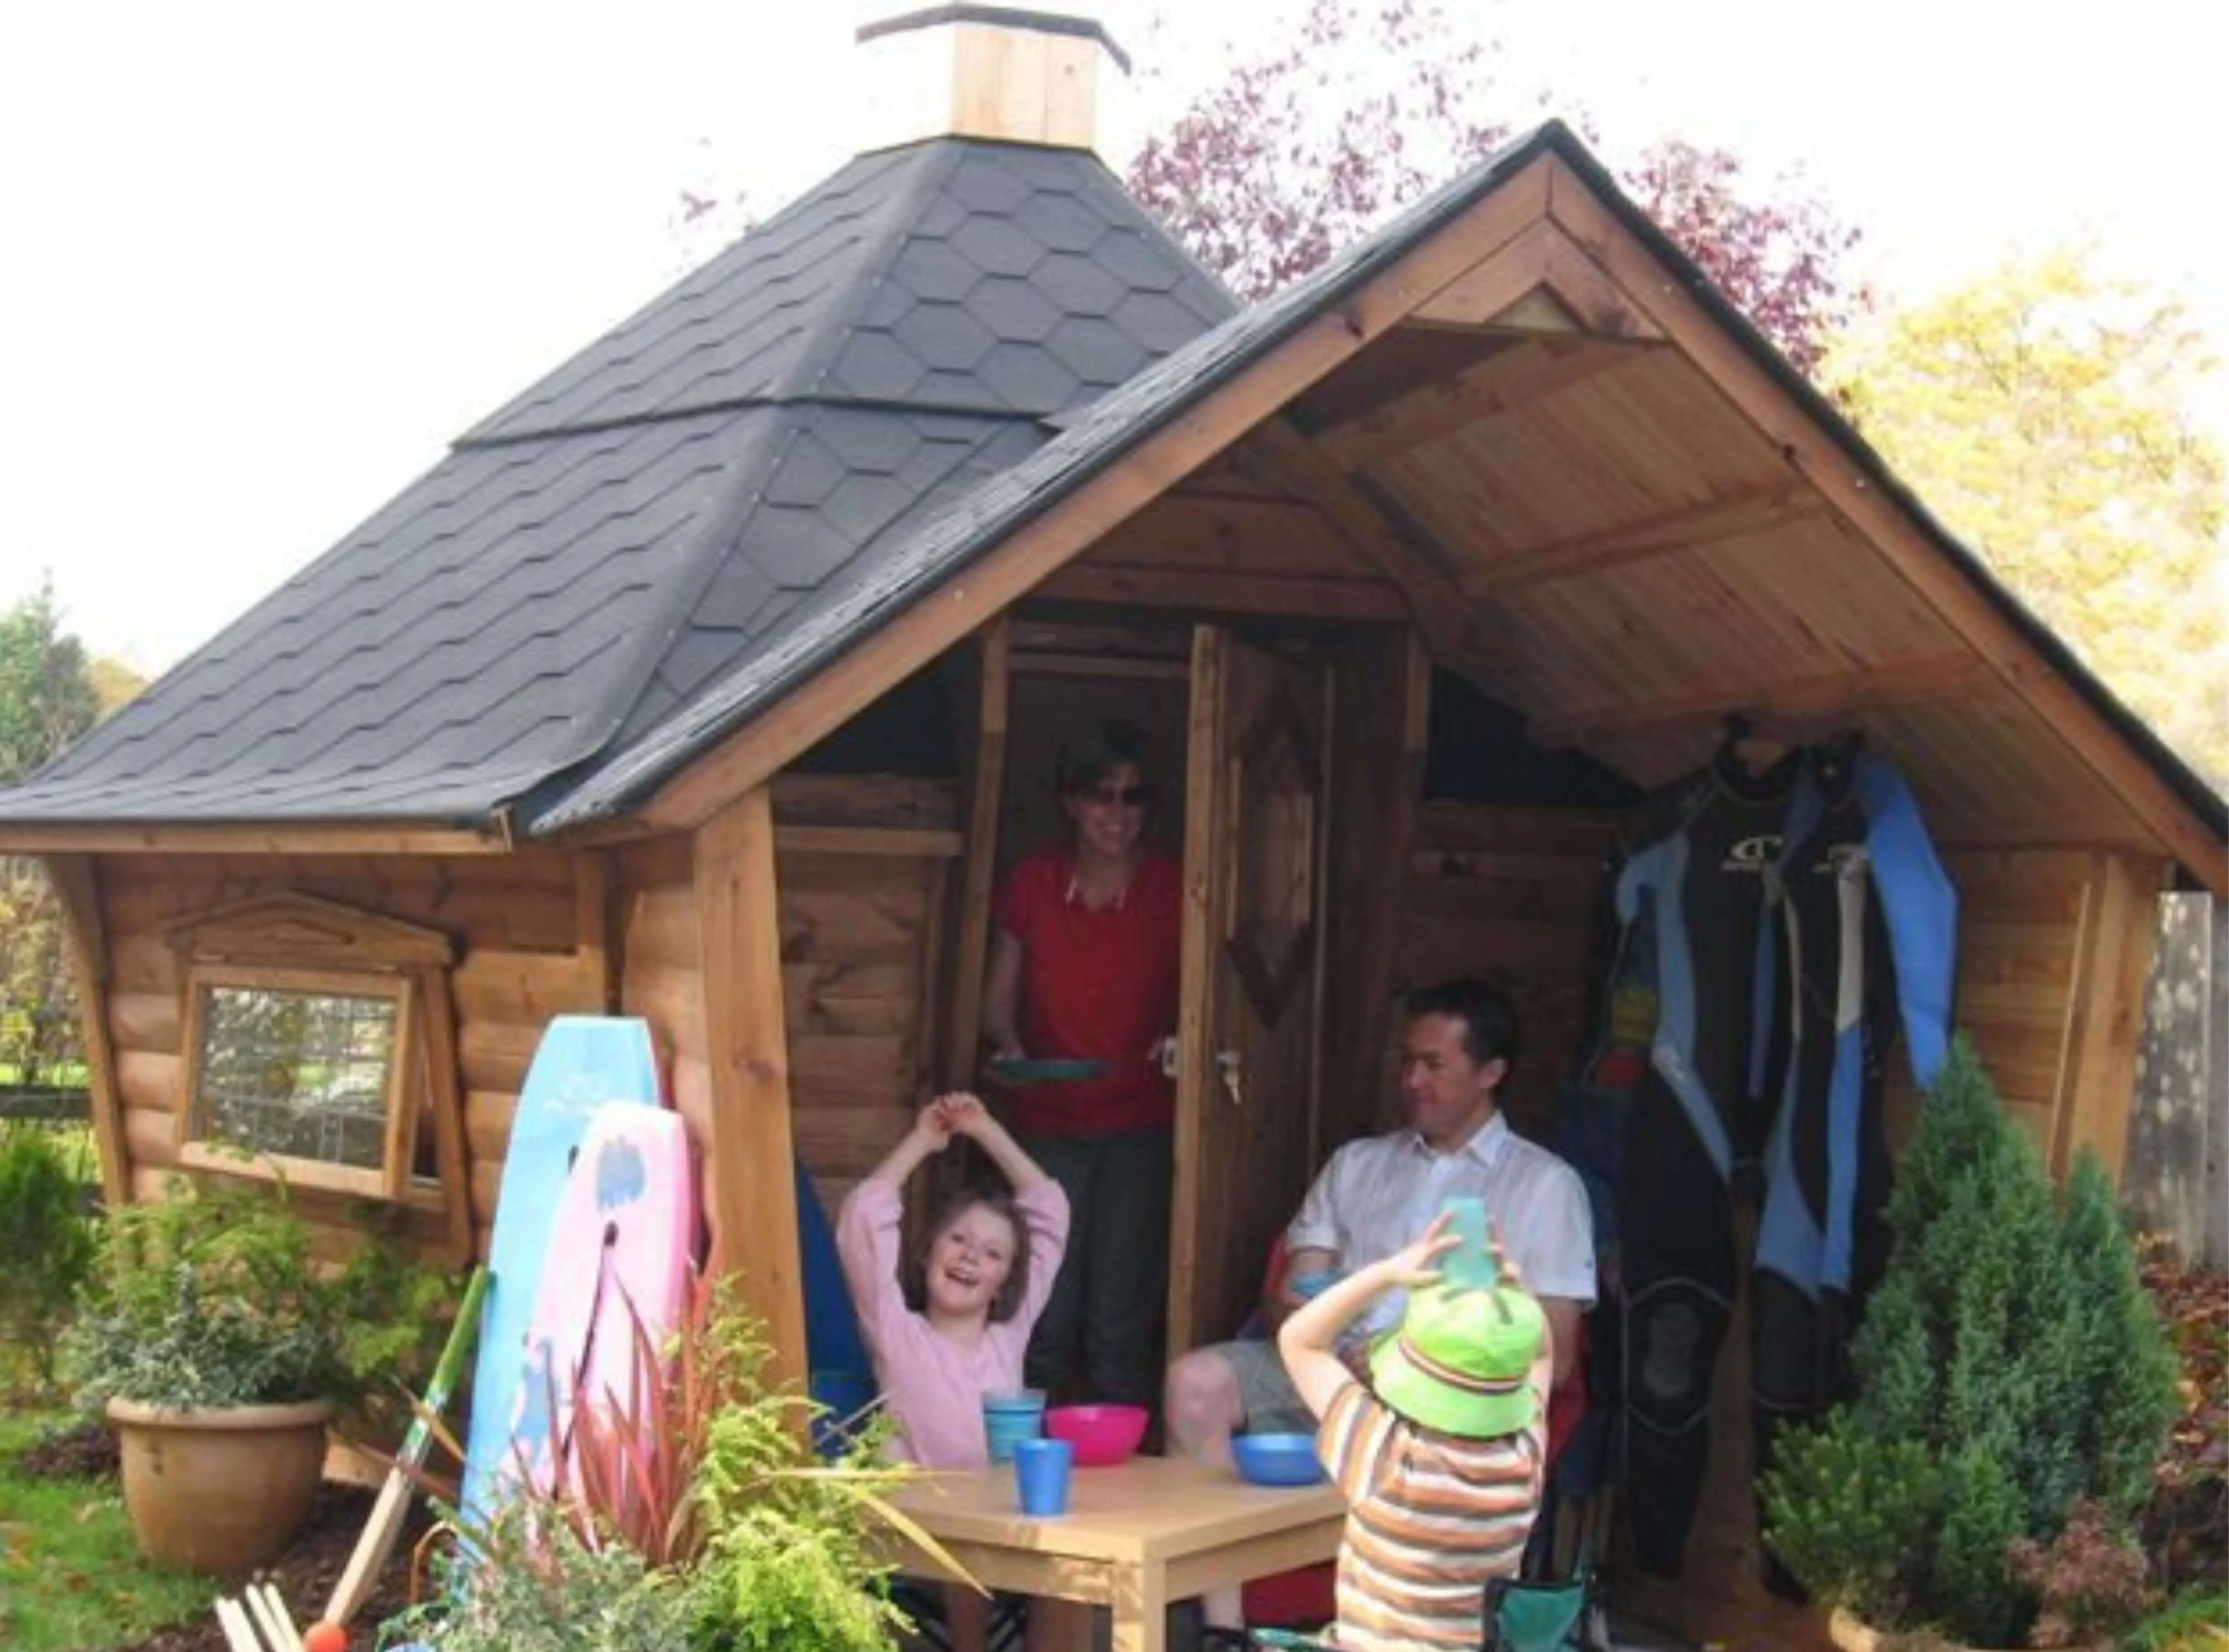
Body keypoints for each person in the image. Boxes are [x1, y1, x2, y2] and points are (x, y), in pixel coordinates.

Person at [1164, 978, 1595, 1634]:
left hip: (1441, 1396)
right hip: (1331, 1365)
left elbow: (1556, 1357)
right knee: (1192, 1382)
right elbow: (1290, 1297)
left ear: (1490, 1071)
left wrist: (1413, 1358)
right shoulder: (1356, 1163)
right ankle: (1226, 1629)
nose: (1411, 1080)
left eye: (1433, 1064)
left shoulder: (1544, 1186)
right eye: (1405, 1061)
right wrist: (1338, 1347)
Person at [983, 720, 1182, 1408]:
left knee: (1119, 1313)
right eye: (1101, 796)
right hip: (1045, 1119)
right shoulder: (1034, 884)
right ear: (1069, 802)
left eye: (1132, 798)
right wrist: (1008, 1046)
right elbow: (998, 999)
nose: (1117, 815)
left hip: (1138, 1120)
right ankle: (1019, 1462)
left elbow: (1208, 1001)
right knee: (1045, 1304)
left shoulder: (1172, 888)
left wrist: (1179, 1036)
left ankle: (1121, 1483)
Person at [836, 1093, 1071, 1652]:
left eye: (992, 1254)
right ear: (926, 1251)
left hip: (1005, 1527)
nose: (970, 1257)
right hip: (925, 1532)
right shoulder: (896, 1331)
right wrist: (924, 1140)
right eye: (959, 1239)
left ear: (1007, 1280)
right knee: (963, 1552)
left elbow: (1049, 1208)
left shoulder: (1008, 1336)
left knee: (1075, 1571)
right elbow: (864, 1216)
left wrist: (986, 1130)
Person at [1279, 1211, 1555, 1651]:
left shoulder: (1386, 1456)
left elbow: (1299, 1340)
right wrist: (1510, 1295)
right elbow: (1542, 1359)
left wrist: (1390, 1273)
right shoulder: (1522, 1464)